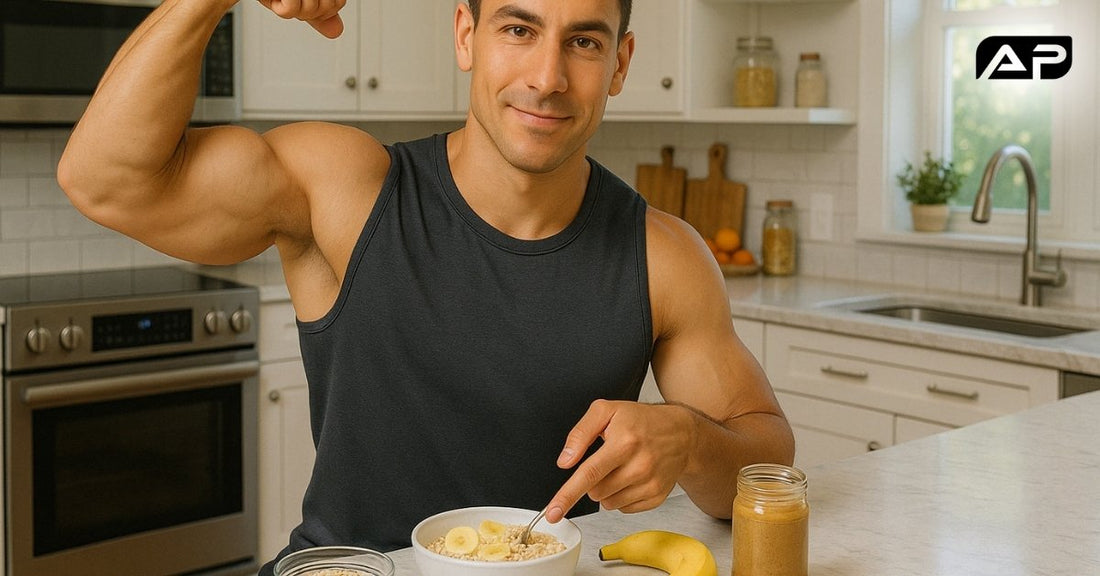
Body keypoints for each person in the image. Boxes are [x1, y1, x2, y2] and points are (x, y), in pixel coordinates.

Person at [58, 0, 795, 572]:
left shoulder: (662, 255)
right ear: (466, 35)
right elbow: (103, 181)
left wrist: (690, 438)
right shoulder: (345, 190)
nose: (547, 77)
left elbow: (766, 458)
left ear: (621, 62)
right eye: (517, 29)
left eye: (584, 41)